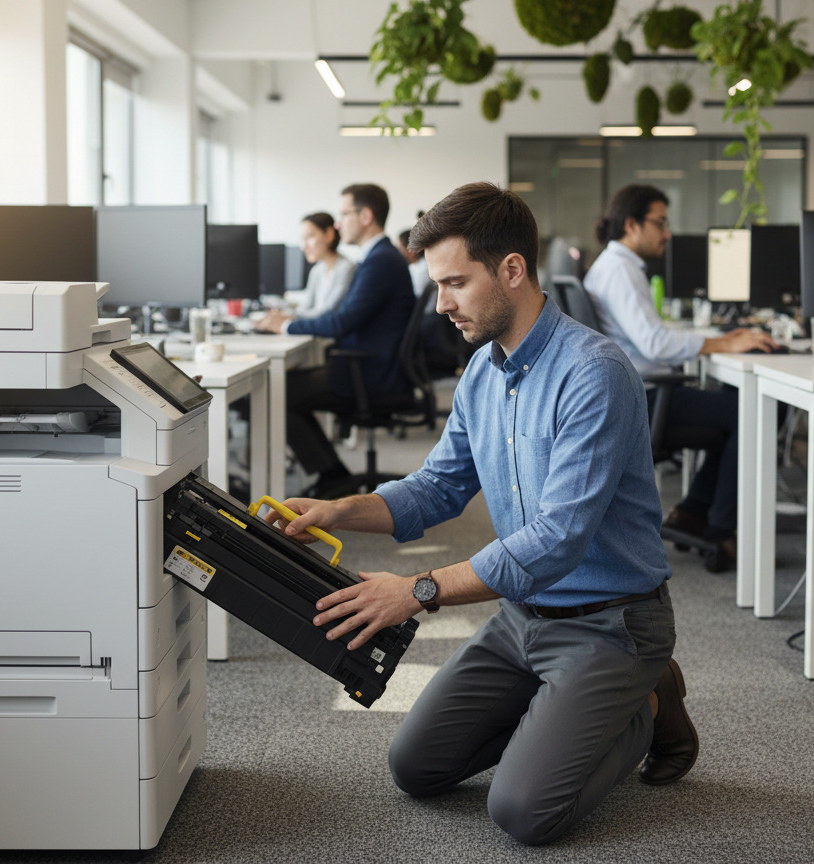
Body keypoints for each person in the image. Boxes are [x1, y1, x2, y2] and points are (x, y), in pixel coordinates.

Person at [265, 182, 698, 845]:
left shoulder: (594, 372)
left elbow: (556, 540)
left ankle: (645, 699)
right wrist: (338, 509)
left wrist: (419, 590)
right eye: (436, 285)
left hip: (610, 622)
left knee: (523, 811)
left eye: (456, 284)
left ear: (512, 270)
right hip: (522, 616)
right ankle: (577, 706)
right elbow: (438, 487)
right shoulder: (481, 373)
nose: (440, 305)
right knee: (416, 766)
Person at [582, 184, 778, 568]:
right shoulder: (620, 270)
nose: (667, 234)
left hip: (634, 392)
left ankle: (695, 511)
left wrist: (717, 340)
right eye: (661, 223)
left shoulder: (613, 266)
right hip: (645, 398)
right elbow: (655, 343)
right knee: (755, 412)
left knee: (736, 411)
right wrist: (724, 343)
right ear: (632, 225)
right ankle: (720, 532)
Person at [255, 183, 415, 496]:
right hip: (366, 364)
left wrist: (286, 326)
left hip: (369, 372)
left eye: (344, 214)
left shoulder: (380, 261)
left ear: (366, 215)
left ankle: (331, 474)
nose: (338, 224)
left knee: (277, 391)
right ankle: (333, 473)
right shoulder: (378, 258)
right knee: (283, 388)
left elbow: (342, 322)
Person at [291, 212, 355, 319]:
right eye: (303, 239)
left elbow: (328, 312)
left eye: (310, 237)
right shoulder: (317, 270)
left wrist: (289, 317)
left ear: (329, 234)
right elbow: (305, 307)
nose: (304, 246)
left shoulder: (347, 269)